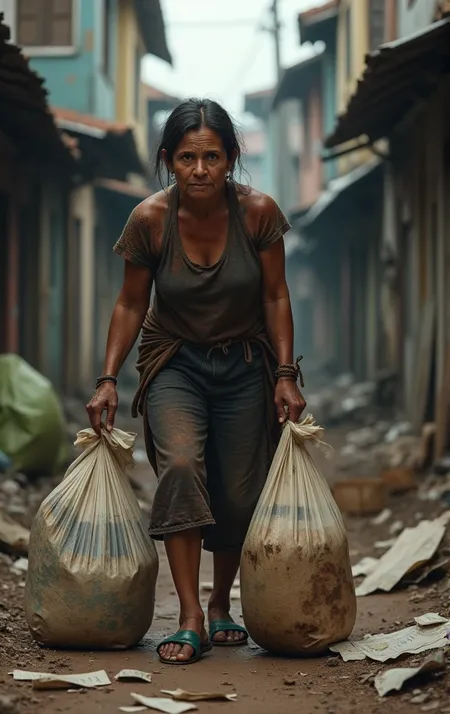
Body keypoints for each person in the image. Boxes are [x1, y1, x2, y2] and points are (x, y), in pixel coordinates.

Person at [86, 98, 306, 665]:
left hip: (245, 366)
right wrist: (108, 378)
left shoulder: (258, 214)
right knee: (181, 466)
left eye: (212, 156)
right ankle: (188, 617)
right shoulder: (150, 219)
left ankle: (220, 603)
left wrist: (285, 374)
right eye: (187, 158)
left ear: (232, 158)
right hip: (174, 362)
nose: (200, 170)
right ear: (168, 160)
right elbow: (132, 303)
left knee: (236, 491)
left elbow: (276, 295)